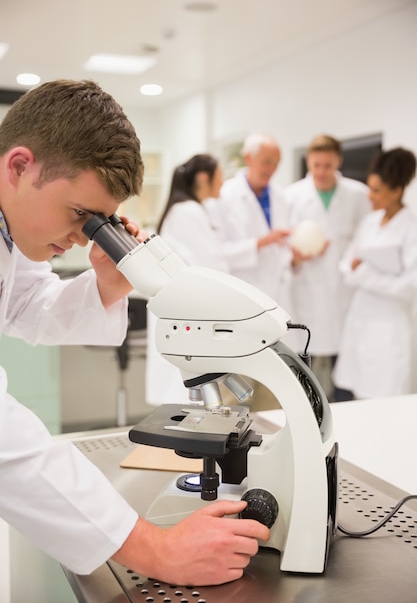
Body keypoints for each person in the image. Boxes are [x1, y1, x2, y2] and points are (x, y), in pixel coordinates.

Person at [0, 80, 269, 587]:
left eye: (95, 222)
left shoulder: (10, 232)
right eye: (80, 214)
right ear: (19, 166)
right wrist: (154, 548)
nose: (82, 237)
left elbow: (28, 305)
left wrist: (105, 281)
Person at [283, 134, 371, 401]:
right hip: (305, 292)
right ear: (309, 161)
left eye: (328, 165)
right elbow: (283, 250)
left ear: (338, 162)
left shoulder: (359, 195)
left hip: (345, 294)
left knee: (345, 370)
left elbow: (367, 239)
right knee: (303, 367)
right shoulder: (291, 196)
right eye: (316, 165)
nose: (321, 172)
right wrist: (298, 257)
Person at [333, 147, 417, 400]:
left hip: (389, 330)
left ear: (397, 191)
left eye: (377, 190)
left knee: (384, 402)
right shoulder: (369, 223)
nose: (370, 196)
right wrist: (364, 273)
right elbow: (346, 265)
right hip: (359, 323)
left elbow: (410, 286)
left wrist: (365, 275)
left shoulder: (411, 227)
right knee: (352, 396)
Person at [146, 153, 229, 405]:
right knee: (185, 390)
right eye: (220, 176)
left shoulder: (185, 210)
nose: (223, 182)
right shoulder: (188, 211)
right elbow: (212, 264)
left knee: (182, 389)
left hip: (185, 310)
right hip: (188, 313)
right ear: (204, 178)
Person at [216, 133, 292, 312]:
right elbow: (219, 253)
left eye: (276, 163)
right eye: (267, 161)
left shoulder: (281, 197)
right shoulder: (224, 196)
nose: (272, 169)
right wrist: (261, 242)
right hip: (243, 295)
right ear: (248, 158)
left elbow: (282, 253)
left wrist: (295, 257)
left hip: (278, 295)